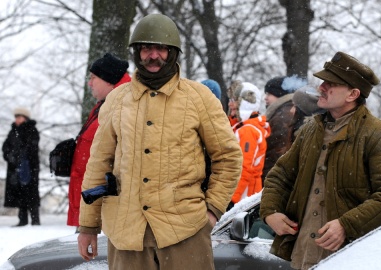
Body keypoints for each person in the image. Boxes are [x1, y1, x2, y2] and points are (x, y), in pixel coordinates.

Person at [77, 14, 243, 270]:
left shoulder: (198, 97)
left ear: (173, 52)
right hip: (127, 233)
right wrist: (87, 225)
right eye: (146, 48)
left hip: (185, 231)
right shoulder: (117, 100)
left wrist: (212, 210)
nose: (153, 55)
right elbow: (99, 163)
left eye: (161, 48)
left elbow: (228, 156)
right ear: (136, 52)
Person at [260, 51, 381, 270]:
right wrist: (270, 212)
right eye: (323, 81)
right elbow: (280, 176)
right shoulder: (310, 130)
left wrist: (346, 225)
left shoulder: (380, 135)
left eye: (330, 83)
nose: (321, 87)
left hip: (350, 260)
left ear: (353, 94)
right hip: (302, 256)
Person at [67, 53, 131, 231]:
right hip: (91, 202)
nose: (89, 83)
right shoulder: (104, 105)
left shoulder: (124, 106)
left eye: (93, 78)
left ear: (108, 80)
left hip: (105, 210)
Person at [230, 82, 271, 206]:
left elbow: (244, 167)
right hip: (245, 193)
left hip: (245, 195)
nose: (229, 103)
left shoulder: (248, 131)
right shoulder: (245, 128)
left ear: (245, 103)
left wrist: (233, 199)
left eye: (234, 100)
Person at [262, 75, 305, 182]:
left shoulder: (282, 117)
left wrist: (267, 179)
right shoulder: (282, 112)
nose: (265, 97)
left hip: (274, 177)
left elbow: (276, 153)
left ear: (279, 94)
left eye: (269, 93)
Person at [2, 107, 41, 226]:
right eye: (16, 117)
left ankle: (35, 220)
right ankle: (22, 220)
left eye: (19, 117)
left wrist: (21, 156)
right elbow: (5, 147)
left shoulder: (31, 130)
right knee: (19, 194)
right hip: (15, 167)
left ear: (25, 118)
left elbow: (32, 147)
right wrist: (11, 157)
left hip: (29, 167)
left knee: (31, 193)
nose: (17, 120)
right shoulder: (12, 131)